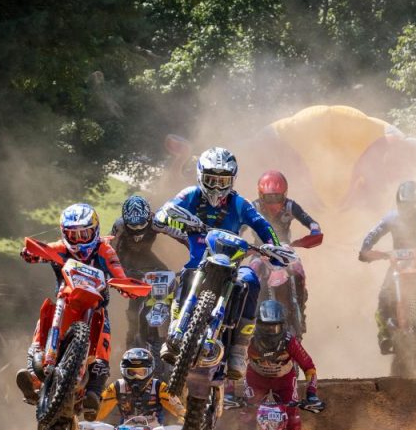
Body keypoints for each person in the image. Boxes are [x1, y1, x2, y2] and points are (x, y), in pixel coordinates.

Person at [152, 147, 288, 379]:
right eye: (211, 179)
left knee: (250, 280)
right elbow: (166, 211)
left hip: (231, 263)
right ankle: (174, 328)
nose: (216, 186)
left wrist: (273, 246)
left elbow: (262, 225)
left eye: (222, 180)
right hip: (200, 257)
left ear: (231, 180)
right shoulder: (190, 195)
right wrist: (166, 218)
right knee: (185, 274)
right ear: (200, 176)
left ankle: (239, 348)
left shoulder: (240, 204)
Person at [16, 203, 131, 417]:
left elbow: (117, 271)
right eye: (73, 235)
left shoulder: (104, 249)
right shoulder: (61, 247)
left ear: (95, 231)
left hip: (94, 307)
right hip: (66, 302)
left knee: (104, 337)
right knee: (44, 317)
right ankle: (33, 376)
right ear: (64, 233)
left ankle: (94, 392)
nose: (79, 240)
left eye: (84, 233)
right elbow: (44, 251)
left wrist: (125, 286)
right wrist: (31, 253)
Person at [233, 300, 324, 430]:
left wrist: (312, 394)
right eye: (266, 328)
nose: (270, 332)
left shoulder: (290, 341)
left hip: (284, 381)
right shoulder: (248, 341)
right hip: (256, 380)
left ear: (282, 326)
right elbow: (232, 366)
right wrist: (228, 393)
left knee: (293, 416)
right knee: (247, 414)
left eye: (274, 328)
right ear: (258, 325)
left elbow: (309, 367)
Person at [358, 181, 416, 355]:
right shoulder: (391, 218)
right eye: (405, 205)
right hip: (398, 265)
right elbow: (373, 234)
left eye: (412, 205)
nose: (409, 209)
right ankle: (384, 334)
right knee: (383, 296)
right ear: (398, 204)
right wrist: (366, 250)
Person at [249, 170, 322, 331]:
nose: (274, 203)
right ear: (261, 195)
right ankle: (248, 316)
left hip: (285, 249)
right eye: (269, 198)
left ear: (285, 194)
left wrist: (315, 231)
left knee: (298, 269)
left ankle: (300, 309)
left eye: (278, 197)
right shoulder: (252, 207)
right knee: (250, 274)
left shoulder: (290, 205)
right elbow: (239, 226)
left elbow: (310, 221)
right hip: (259, 250)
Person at [110, 196, 168, 349]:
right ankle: (131, 337)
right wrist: (118, 270)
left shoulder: (157, 221)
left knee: (168, 275)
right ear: (125, 220)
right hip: (124, 258)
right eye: (133, 226)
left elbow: (177, 233)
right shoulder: (119, 225)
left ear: (149, 218)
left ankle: (165, 321)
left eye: (141, 224)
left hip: (145, 255)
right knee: (135, 297)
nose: (137, 230)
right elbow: (110, 248)